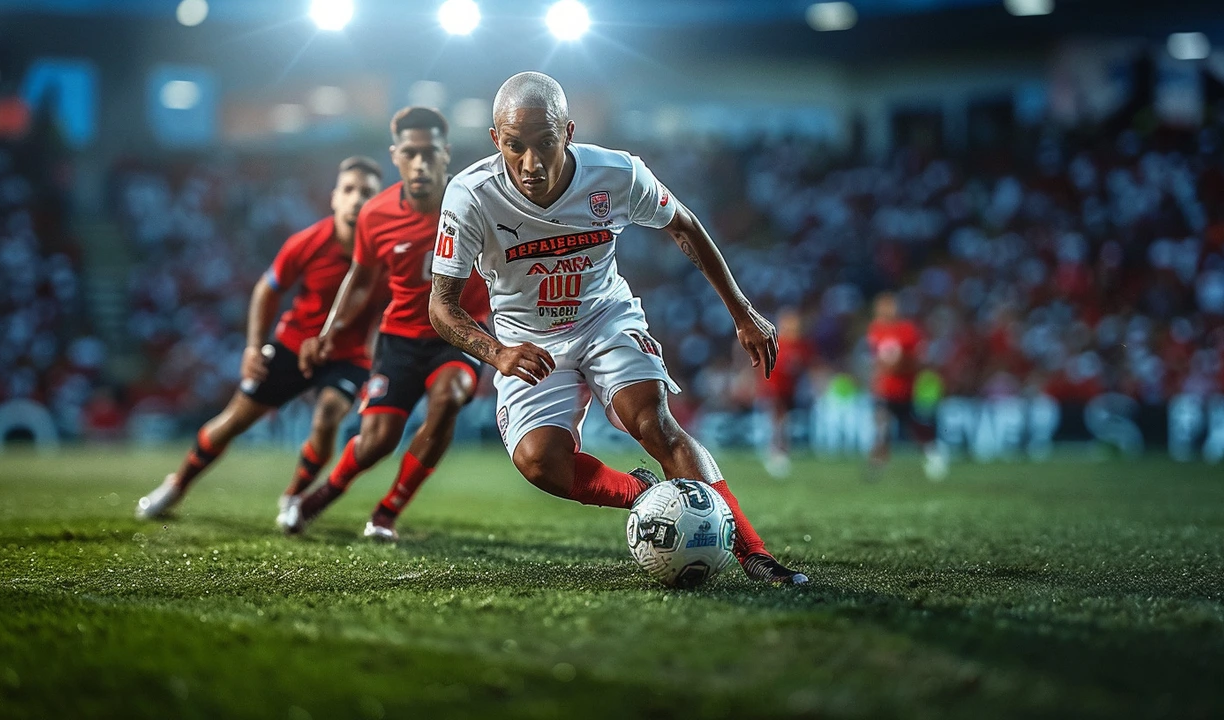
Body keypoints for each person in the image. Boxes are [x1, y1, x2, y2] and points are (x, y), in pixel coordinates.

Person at [427, 72, 807, 585]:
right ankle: (644, 495)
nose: (531, 163)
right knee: (540, 463)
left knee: (654, 424)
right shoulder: (470, 196)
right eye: (515, 147)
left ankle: (753, 553)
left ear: (568, 131)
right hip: (527, 341)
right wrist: (497, 353)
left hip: (606, 318)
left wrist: (742, 312)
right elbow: (442, 306)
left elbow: (684, 226)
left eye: (545, 143)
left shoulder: (618, 174)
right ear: (496, 140)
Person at [136, 157, 383, 522]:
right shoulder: (307, 242)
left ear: (379, 202)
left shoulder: (388, 254)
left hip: (348, 356)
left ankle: (294, 496)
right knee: (234, 420)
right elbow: (266, 291)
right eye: (349, 190)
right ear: (334, 198)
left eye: (367, 192)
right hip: (292, 345)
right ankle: (177, 484)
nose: (357, 199)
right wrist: (253, 346)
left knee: (329, 415)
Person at [283, 107, 490, 541]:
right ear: (396, 156)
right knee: (376, 440)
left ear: (446, 154)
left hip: (460, 332)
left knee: (449, 397)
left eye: (429, 153)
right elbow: (358, 280)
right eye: (411, 153)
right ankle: (318, 498)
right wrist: (329, 332)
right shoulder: (376, 216)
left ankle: (387, 511)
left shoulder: (476, 204)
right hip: (400, 338)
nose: (420, 163)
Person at [865, 292, 947, 480]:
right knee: (881, 422)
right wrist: (877, 378)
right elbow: (875, 360)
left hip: (903, 387)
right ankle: (878, 462)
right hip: (885, 388)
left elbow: (918, 359)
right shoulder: (875, 330)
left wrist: (899, 367)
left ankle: (933, 451)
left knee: (912, 426)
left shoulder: (907, 330)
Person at [758, 308, 813, 478]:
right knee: (777, 421)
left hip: (791, 389)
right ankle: (775, 452)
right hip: (774, 388)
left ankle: (782, 451)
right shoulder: (776, 342)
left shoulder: (802, 345)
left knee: (784, 423)